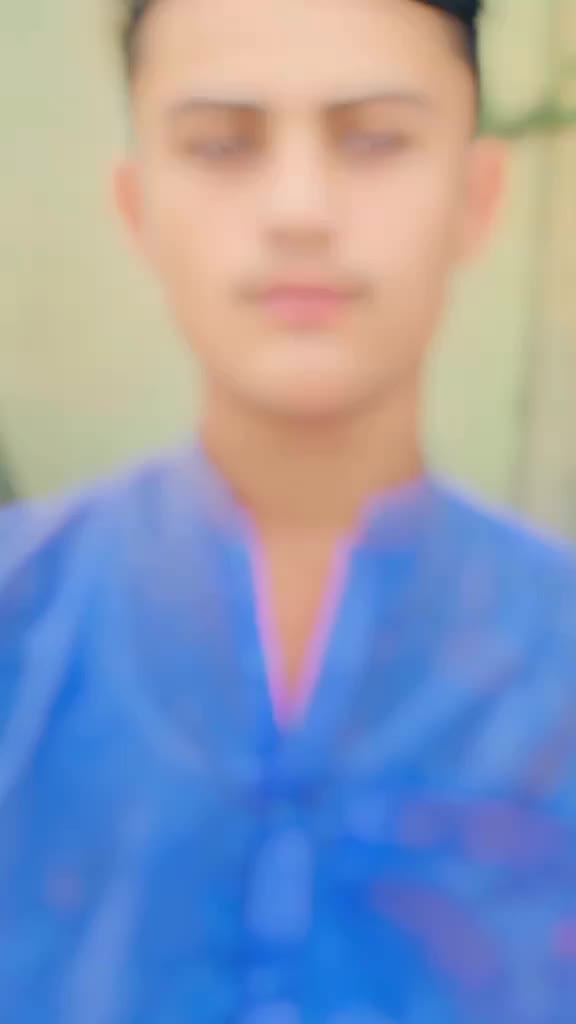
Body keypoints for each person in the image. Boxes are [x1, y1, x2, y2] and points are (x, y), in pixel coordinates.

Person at [1, 0, 575, 1020]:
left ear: (476, 195)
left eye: (377, 139)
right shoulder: (21, 620)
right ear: (137, 205)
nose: (300, 209)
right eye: (222, 144)